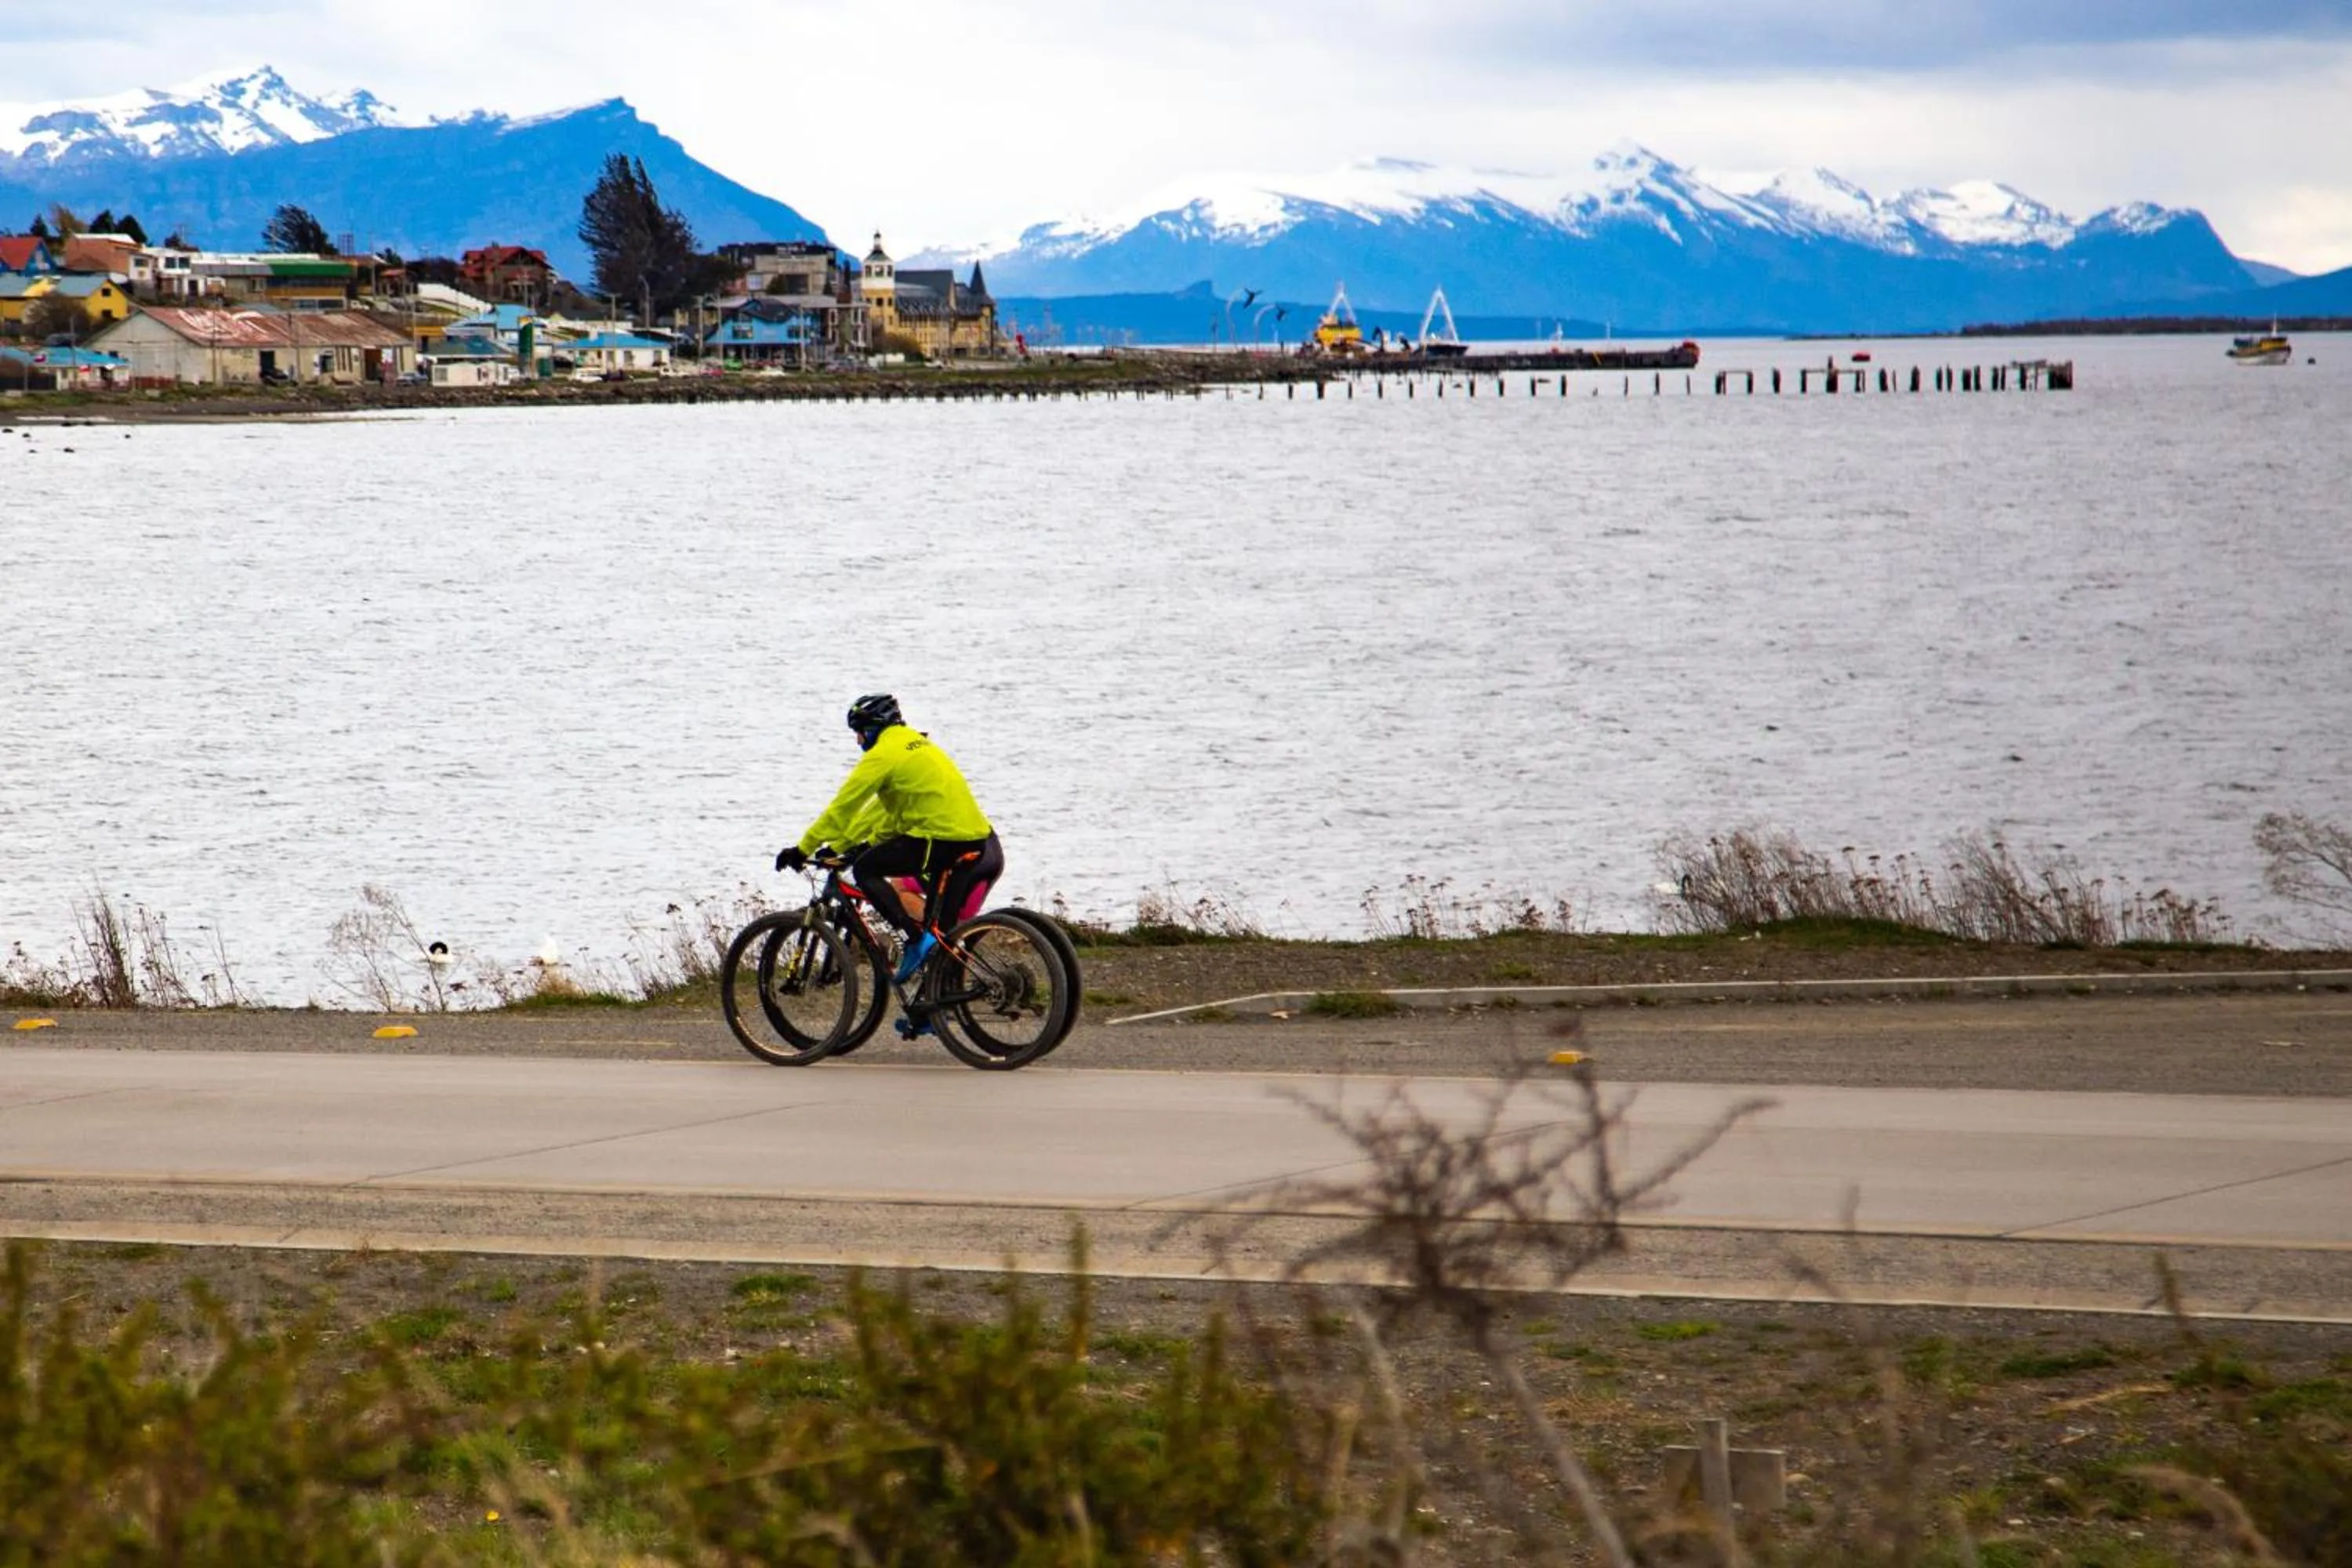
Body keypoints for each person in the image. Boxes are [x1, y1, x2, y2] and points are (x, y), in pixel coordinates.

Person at [777, 694, 1003, 987]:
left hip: (942, 839)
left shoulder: (883, 754)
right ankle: (934, 1011)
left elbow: (844, 807)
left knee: (866, 870)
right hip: (975, 840)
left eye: (859, 732)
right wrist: (849, 846)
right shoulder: (918, 745)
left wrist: (803, 848)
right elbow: (888, 815)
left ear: (871, 729)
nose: (858, 741)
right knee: (941, 938)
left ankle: (910, 940)